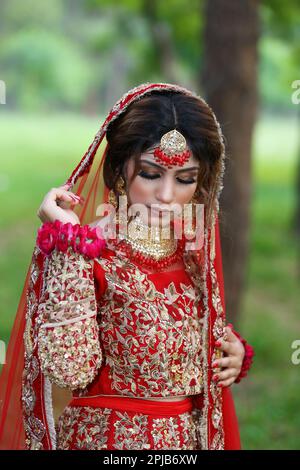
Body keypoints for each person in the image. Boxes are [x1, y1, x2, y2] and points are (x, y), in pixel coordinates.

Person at [0, 82, 254, 450]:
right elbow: (70, 369)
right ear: (120, 170)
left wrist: (228, 352)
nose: (167, 196)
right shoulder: (86, 252)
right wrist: (70, 241)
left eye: (185, 179)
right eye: (150, 174)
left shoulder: (192, 253)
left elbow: (177, 345)